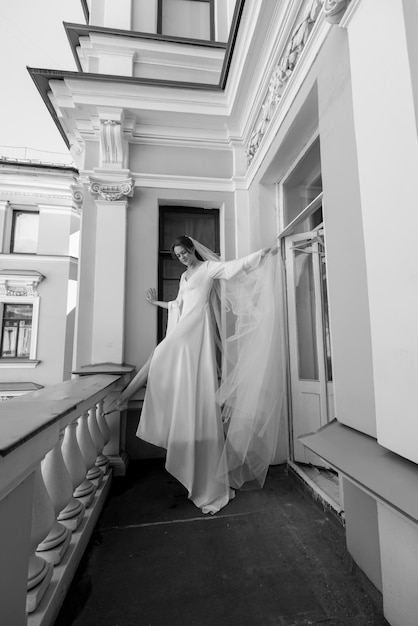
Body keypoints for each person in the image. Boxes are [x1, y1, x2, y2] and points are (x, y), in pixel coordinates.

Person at [107, 235, 285, 514]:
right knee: (159, 357)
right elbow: (178, 304)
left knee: (159, 355)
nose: (182, 258)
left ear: (192, 249)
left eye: (184, 253)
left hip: (195, 332)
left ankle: (122, 398)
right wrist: (157, 304)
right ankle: (124, 398)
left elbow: (232, 267)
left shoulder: (207, 269)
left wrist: (261, 255)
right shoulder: (184, 276)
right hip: (184, 328)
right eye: (177, 256)